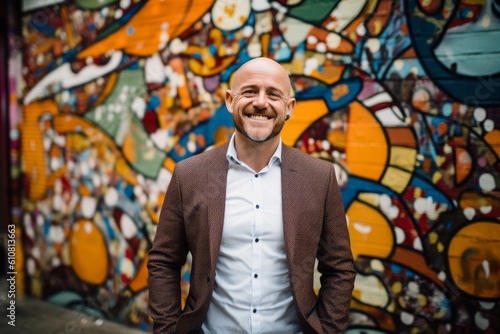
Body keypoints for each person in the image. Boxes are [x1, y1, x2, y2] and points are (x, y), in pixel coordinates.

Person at [147, 57, 356, 334]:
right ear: (230, 100)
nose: (260, 102)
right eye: (249, 91)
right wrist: (168, 330)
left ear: (289, 107)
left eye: (273, 94)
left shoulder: (319, 177)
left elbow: (339, 267)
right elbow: (163, 261)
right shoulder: (190, 175)